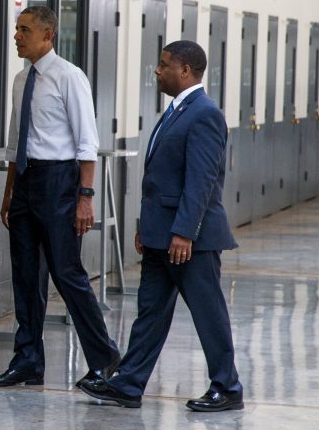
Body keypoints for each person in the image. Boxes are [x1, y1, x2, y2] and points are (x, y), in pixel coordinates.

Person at [78, 40, 243, 411]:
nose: (157, 70)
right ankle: (129, 384)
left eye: (164, 64)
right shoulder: (175, 110)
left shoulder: (205, 114)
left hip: (189, 240)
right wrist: (146, 226)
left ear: (184, 71)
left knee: (208, 312)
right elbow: (160, 178)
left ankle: (228, 387)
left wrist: (184, 231)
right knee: (150, 314)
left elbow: (201, 181)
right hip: (159, 235)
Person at [0, 6, 120, 388]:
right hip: (26, 180)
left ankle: (104, 359)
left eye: (24, 30)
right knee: (25, 275)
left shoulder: (68, 77)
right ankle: (27, 360)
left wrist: (85, 197)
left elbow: (86, 142)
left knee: (66, 273)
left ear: (47, 35)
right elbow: (14, 141)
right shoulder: (20, 79)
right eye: (16, 29)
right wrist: (9, 193)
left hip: (60, 181)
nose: (16, 37)